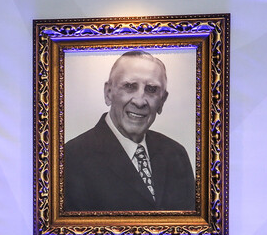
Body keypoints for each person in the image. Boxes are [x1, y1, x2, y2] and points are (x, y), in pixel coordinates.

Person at [63, 50, 194, 212]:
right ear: (108, 93)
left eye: (151, 89)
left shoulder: (176, 154)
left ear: (162, 101)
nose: (140, 101)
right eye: (130, 86)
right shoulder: (70, 159)